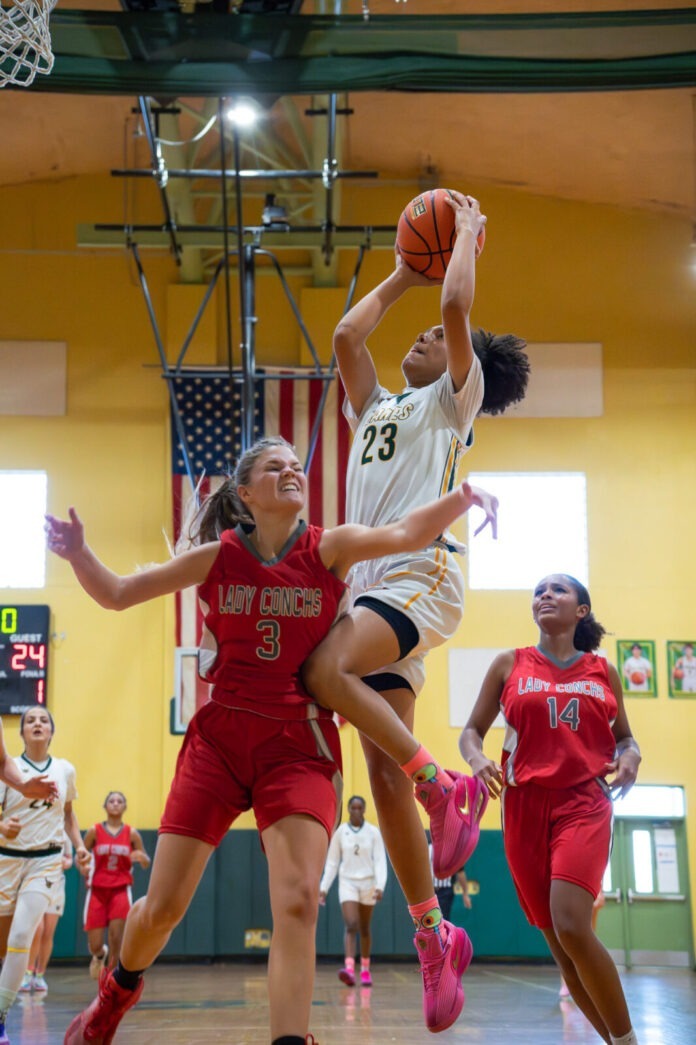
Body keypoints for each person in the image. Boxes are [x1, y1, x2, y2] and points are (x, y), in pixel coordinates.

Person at [45, 435, 498, 1045]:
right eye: (274, 467)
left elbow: (406, 533)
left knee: (300, 899)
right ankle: (114, 996)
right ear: (247, 493)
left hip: (299, 743)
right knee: (162, 910)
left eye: (296, 465)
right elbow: (120, 594)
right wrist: (78, 555)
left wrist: (461, 498)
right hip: (222, 739)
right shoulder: (218, 556)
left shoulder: (329, 547)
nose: (291, 472)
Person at [302, 191, 529, 1033]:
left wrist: (464, 235)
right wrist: (402, 269)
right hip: (373, 590)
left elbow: (458, 303)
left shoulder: (451, 405)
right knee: (380, 773)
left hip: (421, 577)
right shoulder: (379, 408)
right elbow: (346, 338)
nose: (424, 336)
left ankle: (450, 788)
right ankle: (436, 936)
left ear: (460, 368)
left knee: (324, 670)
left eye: (435, 340)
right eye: (428, 332)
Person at [459, 573, 642, 1045]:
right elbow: (471, 732)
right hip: (523, 807)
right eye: (539, 590)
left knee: (572, 924)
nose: (545, 595)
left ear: (581, 610)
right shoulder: (509, 664)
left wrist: (631, 756)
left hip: (583, 802)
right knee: (563, 952)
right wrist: (478, 761)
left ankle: (630, 1041)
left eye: (558, 590)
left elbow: (626, 737)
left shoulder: (603, 671)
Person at [0, 708, 89, 1045]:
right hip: (7, 861)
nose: (37, 724)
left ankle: (0, 1018)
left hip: (46, 861)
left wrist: (79, 845)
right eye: (30, 721)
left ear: (52, 731)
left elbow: (68, 813)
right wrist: (2, 826)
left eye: (44, 720)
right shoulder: (8, 767)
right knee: (4, 948)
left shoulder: (65, 770)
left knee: (23, 935)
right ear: (20, 732)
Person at [318, 795, 387, 988]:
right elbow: (332, 862)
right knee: (351, 924)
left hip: (368, 883)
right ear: (348, 810)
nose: (356, 811)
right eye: (353, 808)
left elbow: (380, 860)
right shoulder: (340, 832)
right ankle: (349, 968)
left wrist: (380, 885)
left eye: (359, 808)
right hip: (347, 882)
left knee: (364, 928)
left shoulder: (373, 832)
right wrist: (323, 888)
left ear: (364, 810)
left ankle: (365, 969)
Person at [81, 791, 151, 980]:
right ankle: (99, 955)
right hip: (97, 890)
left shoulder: (132, 833)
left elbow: (146, 861)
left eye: (119, 801)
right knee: (95, 943)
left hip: (120, 890)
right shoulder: (94, 831)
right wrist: (83, 866)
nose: (115, 804)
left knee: (116, 937)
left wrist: (141, 858)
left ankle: (111, 979)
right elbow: (81, 854)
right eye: (111, 801)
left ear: (125, 807)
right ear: (105, 806)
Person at [18, 832, 73, 995]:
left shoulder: (64, 835)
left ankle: (40, 974)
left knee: (48, 932)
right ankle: (28, 973)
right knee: (37, 930)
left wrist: (65, 862)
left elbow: (70, 859)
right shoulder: (37, 828)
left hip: (56, 886)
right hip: (34, 883)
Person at [428, 841, 470, 923]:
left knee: (442, 921)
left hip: (444, 891)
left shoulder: (453, 851)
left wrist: (465, 893)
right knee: (429, 922)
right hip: (429, 891)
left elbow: (460, 871)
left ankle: (442, 935)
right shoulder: (426, 846)